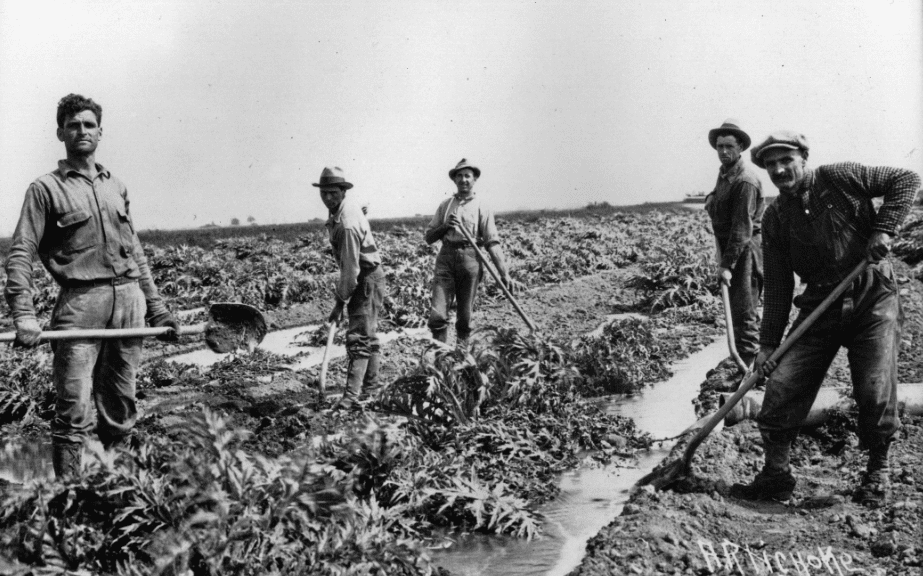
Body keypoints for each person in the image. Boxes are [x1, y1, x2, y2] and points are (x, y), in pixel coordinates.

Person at [730, 131, 920, 507]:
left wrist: (884, 229)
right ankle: (776, 474)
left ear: (803, 157)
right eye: (771, 164)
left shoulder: (840, 177)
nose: (780, 169)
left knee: (875, 385)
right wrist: (769, 346)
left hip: (872, 295)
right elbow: (781, 287)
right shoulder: (775, 218)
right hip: (820, 302)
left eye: (786, 160)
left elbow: (907, 179)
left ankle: (877, 472)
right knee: (783, 381)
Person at [4, 94, 179, 478]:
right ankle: (70, 499)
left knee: (120, 404)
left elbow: (135, 251)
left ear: (100, 131)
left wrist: (158, 307)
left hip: (129, 301)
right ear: (60, 133)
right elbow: (20, 254)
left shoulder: (116, 185)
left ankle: (121, 489)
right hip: (81, 305)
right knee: (73, 409)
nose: (81, 131)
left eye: (88, 124)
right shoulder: (45, 189)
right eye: (73, 125)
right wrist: (24, 316)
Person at [315, 166, 386, 408]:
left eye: (333, 193)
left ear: (343, 191)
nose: (328, 197)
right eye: (324, 192)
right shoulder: (344, 208)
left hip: (365, 279)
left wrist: (338, 303)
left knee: (359, 338)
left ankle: (350, 399)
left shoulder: (346, 223)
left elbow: (350, 271)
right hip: (368, 277)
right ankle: (371, 390)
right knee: (368, 335)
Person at [425, 159, 515, 346]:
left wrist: (504, 274)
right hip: (446, 258)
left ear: (474, 180)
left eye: (468, 176)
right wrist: (445, 226)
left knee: (465, 318)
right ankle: (440, 357)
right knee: (438, 315)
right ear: (454, 180)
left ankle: (462, 356)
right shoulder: (445, 205)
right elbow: (429, 237)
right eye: (460, 175)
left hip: (471, 259)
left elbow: (492, 242)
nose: (463, 179)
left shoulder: (482, 206)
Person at [704, 119, 764, 368]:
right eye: (719, 147)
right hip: (732, 245)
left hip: (745, 249)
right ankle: (742, 356)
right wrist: (711, 197)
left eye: (729, 146)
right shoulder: (725, 173)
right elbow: (720, 195)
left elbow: (742, 228)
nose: (723, 152)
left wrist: (727, 265)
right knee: (739, 308)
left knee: (744, 309)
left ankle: (749, 365)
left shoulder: (745, 180)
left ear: (740, 148)